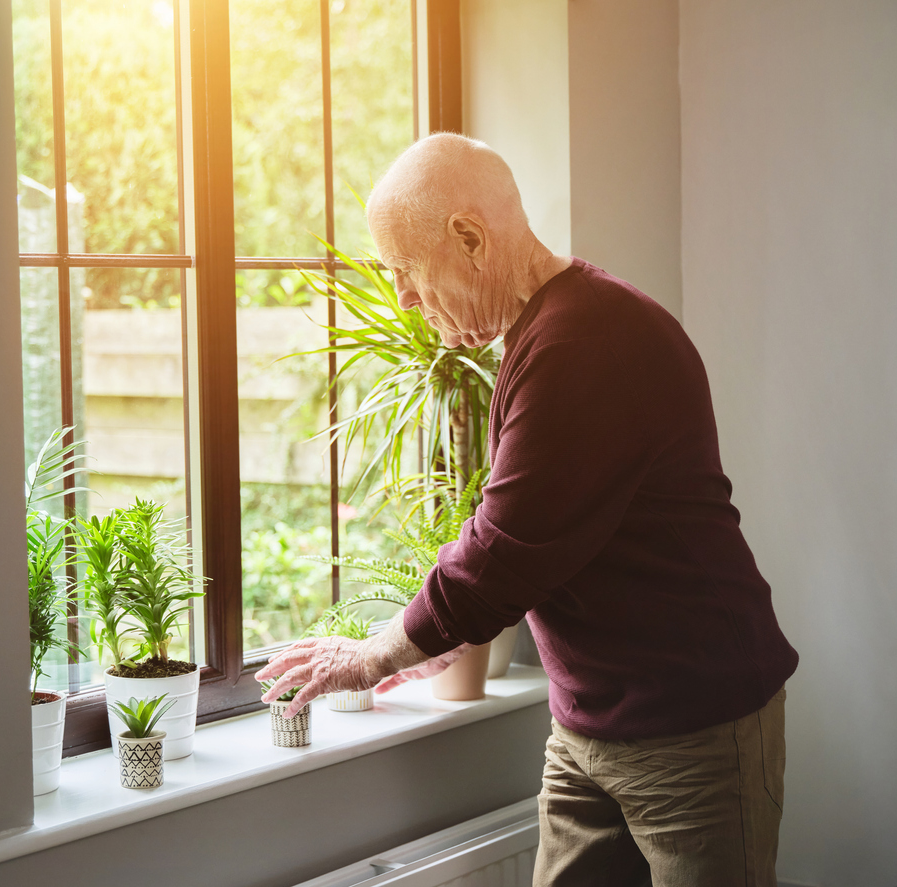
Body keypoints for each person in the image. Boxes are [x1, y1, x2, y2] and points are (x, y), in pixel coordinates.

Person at [257, 133, 799, 886]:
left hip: (691, 729)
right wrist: (445, 632)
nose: (405, 298)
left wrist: (376, 655)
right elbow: (542, 528)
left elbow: (503, 549)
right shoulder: (546, 329)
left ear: (469, 237)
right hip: (588, 726)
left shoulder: (585, 340)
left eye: (406, 271)